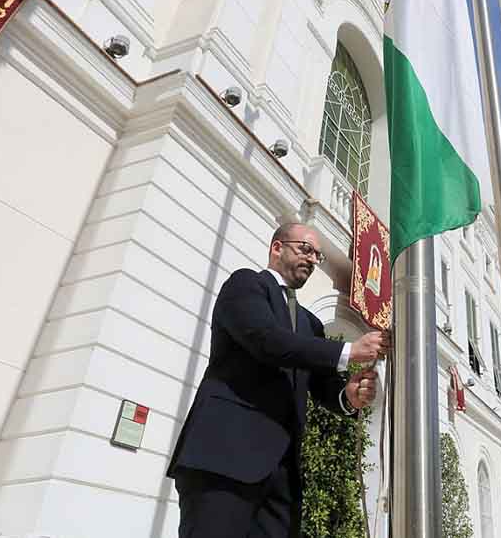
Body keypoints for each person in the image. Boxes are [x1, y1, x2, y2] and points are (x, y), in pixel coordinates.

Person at [166, 223, 391, 538]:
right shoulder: (245, 285)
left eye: (317, 255)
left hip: (282, 479)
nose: (312, 259)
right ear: (277, 248)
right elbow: (267, 341)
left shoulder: (311, 324)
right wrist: (349, 350)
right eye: (305, 249)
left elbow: (325, 386)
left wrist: (349, 396)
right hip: (224, 459)